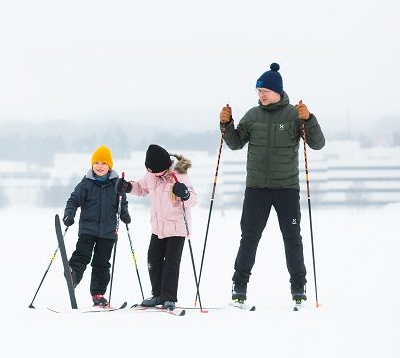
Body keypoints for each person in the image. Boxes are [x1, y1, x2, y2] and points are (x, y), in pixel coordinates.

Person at [219, 62, 325, 305]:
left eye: (264, 91)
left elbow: (317, 144)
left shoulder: (293, 114)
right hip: (256, 188)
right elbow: (235, 143)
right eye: (258, 92)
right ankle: (239, 286)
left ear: (277, 91)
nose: (260, 95)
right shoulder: (252, 116)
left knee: (292, 237)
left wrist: (308, 120)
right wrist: (226, 125)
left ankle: (299, 287)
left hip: (286, 188)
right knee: (249, 237)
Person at [118, 144, 197, 311]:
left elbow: (193, 200)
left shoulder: (180, 175)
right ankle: (157, 294)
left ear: (165, 165)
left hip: (177, 229)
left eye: (156, 172)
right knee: (153, 259)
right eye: (150, 172)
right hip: (158, 228)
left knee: (171, 263)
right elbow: (141, 188)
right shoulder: (151, 175)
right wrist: (128, 186)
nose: (153, 175)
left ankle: (169, 297)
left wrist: (185, 194)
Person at [63, 145, 130, 307]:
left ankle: (98, 294)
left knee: (102, 263)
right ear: (92, 165)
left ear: (109, 166)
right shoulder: (86, 183)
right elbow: (73, 200)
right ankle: (73, 275)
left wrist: (124, 214)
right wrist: (69, 214)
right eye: (97, 163)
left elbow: (123, 203)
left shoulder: (116, 184)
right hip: (88, 229)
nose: (99, 166)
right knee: (82, 254)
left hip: (108, 232)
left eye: (103, 163)